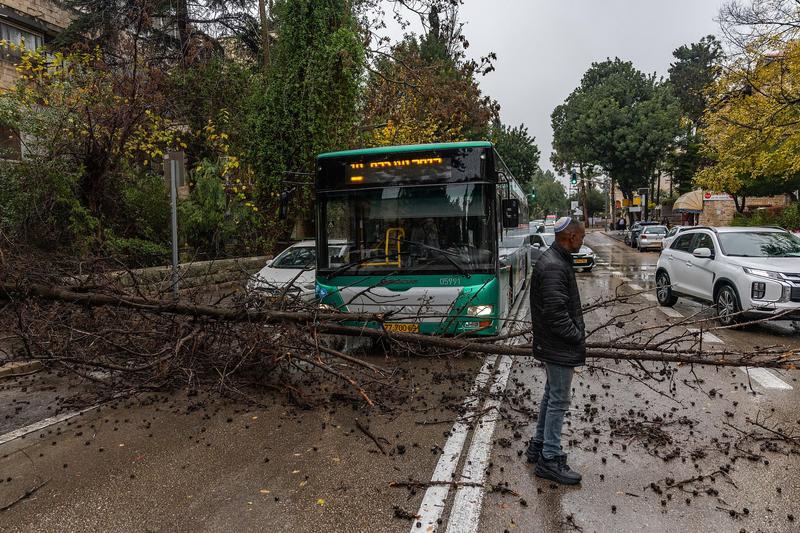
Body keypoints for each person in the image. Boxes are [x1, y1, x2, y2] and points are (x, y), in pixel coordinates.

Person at [525, 216, 586, 485]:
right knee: (559, 400)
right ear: (570, 236)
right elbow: (556, 313)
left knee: (551, 397)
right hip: (558, 345)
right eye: (581, 238)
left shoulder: (554, 259)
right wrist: (576, 338)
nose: (582, 242)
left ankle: (539, 446)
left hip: (551, 344)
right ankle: (549, 458)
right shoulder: (554, 266)